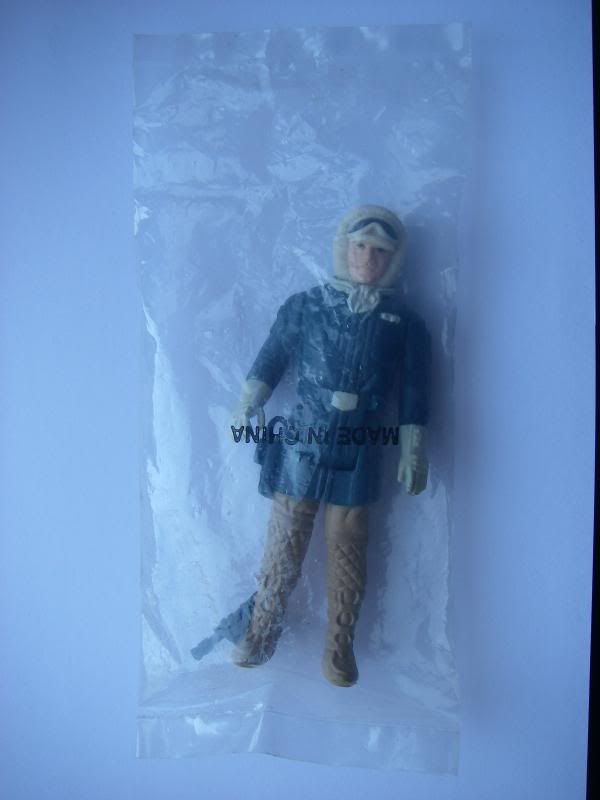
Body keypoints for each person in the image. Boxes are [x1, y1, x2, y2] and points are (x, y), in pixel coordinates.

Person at [231, 205, 431, 687]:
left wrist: (412, 448)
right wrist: (249, 400)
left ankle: (339, 646)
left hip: (361, 447)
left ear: (394, 258)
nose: (368, 259)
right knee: (285, 537)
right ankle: (262, 630)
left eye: (380, 251)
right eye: (361, 246)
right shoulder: (306, 306)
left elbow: (414, 392)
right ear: (344, 247)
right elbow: (273, 354)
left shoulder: (405, 324)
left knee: (349, 543)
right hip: (304, 441)